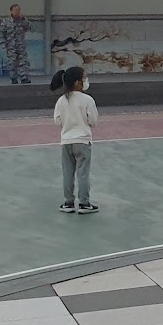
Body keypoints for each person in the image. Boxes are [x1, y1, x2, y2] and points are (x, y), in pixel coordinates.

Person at [51, 66, 99, 215]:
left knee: (67, 173)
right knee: (82, 173)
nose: (86, 81)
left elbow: (57, 120)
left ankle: (68, 202)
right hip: (83, 141)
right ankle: (84, 203)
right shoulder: (87, 100)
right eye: (85, 78)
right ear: (78, 82)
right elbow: (93, 120)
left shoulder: (61, 100)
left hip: (66, 141)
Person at [0, 4, 32, 84]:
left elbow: (29, 28)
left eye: (18, 10)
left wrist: (24, 20)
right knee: (12, 62)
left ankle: (24, 77)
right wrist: (3, 44)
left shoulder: (22, 20)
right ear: (11, 11)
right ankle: (13, 77)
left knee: (23, 61)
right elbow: (2, 33)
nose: (17, 12)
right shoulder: (6, 21)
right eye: (15, 10)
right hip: (10, 45)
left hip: (20, 45)